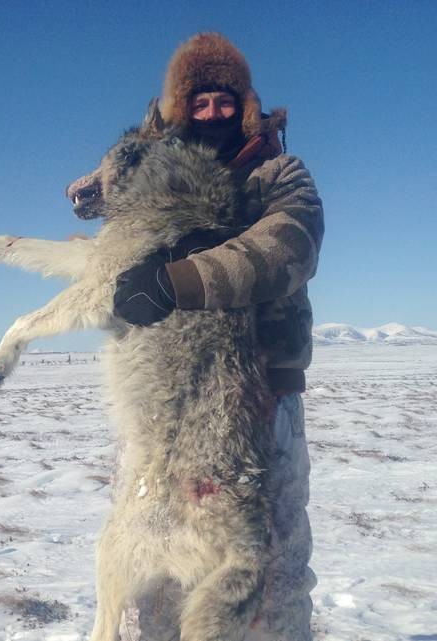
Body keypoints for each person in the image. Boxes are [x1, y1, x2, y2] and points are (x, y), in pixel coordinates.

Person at [110, 32, 324, 641]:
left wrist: (179, 280)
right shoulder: (152, 178)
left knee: (271, 566)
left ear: (246, 103)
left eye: (225, 100)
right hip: (162, 404)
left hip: (261, 395)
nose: (213, 114)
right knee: (149, 557)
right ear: (178, 108)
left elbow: (288, 248)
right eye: (198, 102)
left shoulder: (280, 174)